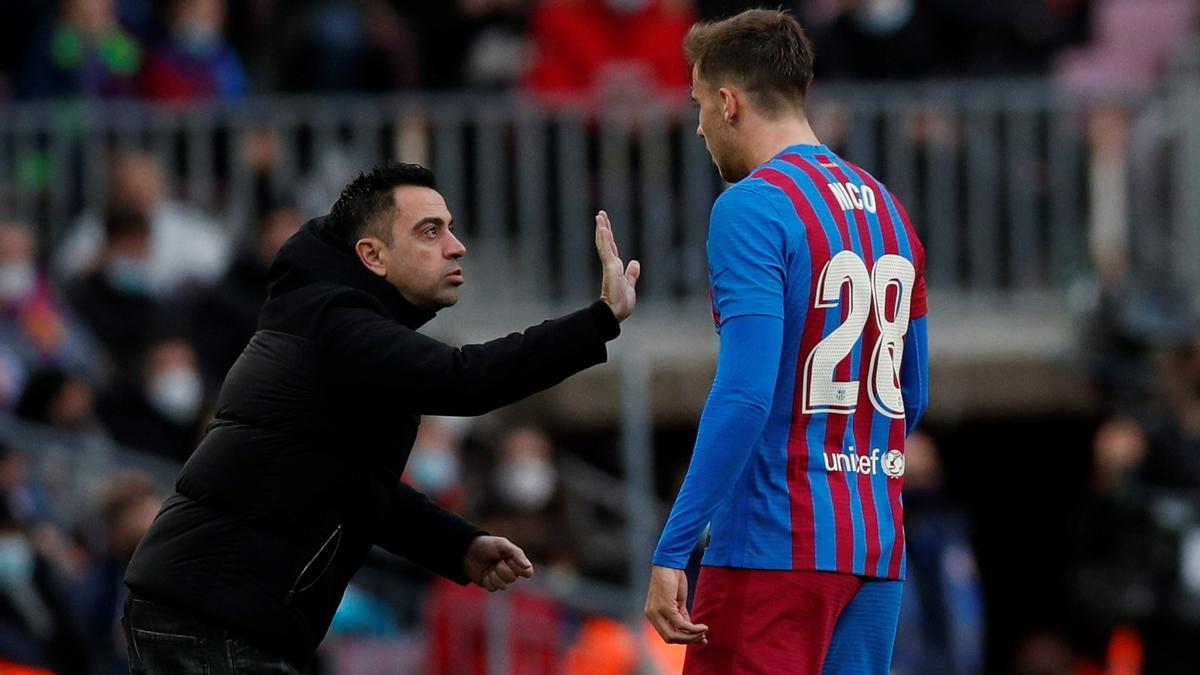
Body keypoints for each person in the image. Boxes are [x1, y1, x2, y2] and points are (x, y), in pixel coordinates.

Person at [122, 161, 641, 674]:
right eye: (430, 231)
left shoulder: (335, 323)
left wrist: (457, 545)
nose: (456, 245)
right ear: (372, 255)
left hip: (209, 610)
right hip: (214, 614)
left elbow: (359, 485)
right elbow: (467, 379)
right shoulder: (337, 325)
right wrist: (598, 321)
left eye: (451, 229)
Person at [643, 9, 929, 675]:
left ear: (728, 101)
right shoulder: (889, 208)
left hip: (773, 547)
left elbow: (745, 393)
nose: (699, 129)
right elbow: (912, 396)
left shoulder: (751, 206)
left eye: (698, 107)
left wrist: (674, 545)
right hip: (875, 548)